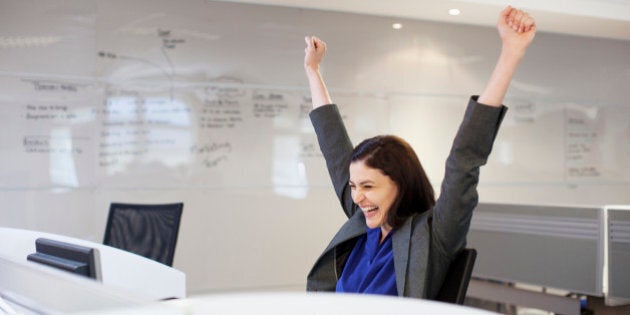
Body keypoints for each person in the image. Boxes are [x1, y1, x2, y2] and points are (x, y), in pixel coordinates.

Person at [303, 6, 536, 299]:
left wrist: (511, 53)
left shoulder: (434, 235)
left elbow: (463, 160)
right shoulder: (362, 221)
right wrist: (313, 71)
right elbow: (333, 145)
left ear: (400, 184)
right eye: (353, 186)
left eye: (368, 186)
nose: (357, 196)